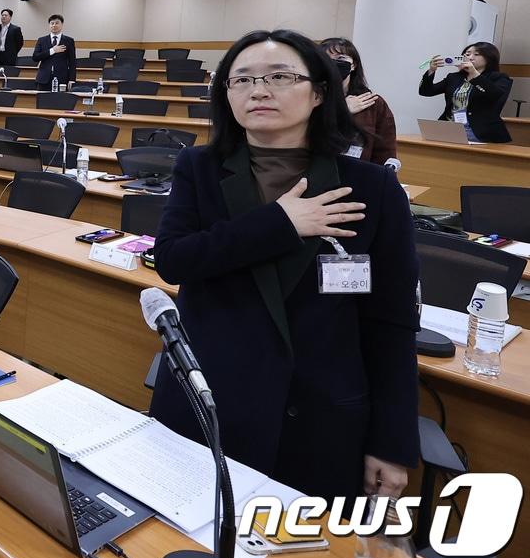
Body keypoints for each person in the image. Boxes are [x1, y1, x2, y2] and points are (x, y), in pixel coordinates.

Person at [151, 28, 418, 501]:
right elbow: (174, 259)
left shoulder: (373, 188)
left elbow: (390, 324)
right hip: (211, 403)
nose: (259, 90)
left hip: (318, 417)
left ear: (319, 92)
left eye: (279, 76)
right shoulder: (199, 168)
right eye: (242, 80)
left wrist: (393, 443)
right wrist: (280, 223)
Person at [418, 41, 513, 143]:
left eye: (476, 54)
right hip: (451, 128)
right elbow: (426, 91)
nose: (470, 57)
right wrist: (431, 71)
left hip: (481, 132)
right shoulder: (453, 77)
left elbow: (495, 95)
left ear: (489, 58)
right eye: (467, 54)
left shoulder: (499, 78)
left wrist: (474, 74)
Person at [320, 38, 396, 164]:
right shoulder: (311, 97)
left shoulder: (373, 103)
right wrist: (343, 110)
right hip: (319, 172)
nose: (334, 63)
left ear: (353, 65)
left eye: (341, 58)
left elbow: (385, 149)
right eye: (327, 59)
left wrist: (383, 178)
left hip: (359, 174)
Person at [32, 14, 76, 90]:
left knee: (60, 101)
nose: (54, 25)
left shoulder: (69, 40)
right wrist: (52, 50)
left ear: (62, 25)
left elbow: (72, 61)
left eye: (57, 23)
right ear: (49, 25)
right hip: (44, 78)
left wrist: (72, 79)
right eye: (52, 23)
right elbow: (35, 57)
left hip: (62, 78)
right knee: (43, 100)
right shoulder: (42, 40)